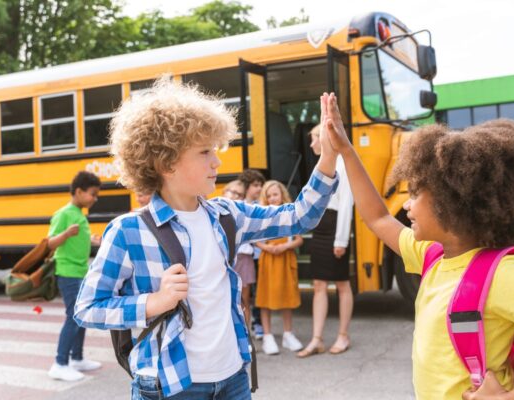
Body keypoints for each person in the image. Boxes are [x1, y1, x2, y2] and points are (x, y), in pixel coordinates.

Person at [74, 80, 339, 400]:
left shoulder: (228, 215)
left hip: (233, 379)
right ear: (166, 163)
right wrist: (153, 303)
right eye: (204, 152)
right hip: (170, 385)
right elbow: (88, 308)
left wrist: (328, 157)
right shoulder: (128, 231)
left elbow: (299, 216)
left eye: (215, 149)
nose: (217, 161)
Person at [322, 94, 514, 399]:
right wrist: (347, 150)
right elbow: (377, 217)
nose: (408, 205)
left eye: (416, 193)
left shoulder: (503, 275)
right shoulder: (432, 255)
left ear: (450, 203)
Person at [297, 124, 354, 358]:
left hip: (334, 229)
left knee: (342, 284)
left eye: (314, 139)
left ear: (324, 139)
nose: (311, 145)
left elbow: (345, 204)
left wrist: (341, 239)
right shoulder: (322, 166)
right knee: (318, 284)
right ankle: (317, 339)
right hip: (320, 229)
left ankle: (343, 335)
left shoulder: (342, 165)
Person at [48, 171, 102, 382]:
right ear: (78, 191)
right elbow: (50, 243)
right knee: (73, 315)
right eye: (92, 194)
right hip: (68, 272)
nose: (94, 199)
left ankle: (77, 358)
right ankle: (60, 363)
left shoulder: (80, 214)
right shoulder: (64, 214)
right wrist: (66, 234)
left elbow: (78, 242)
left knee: (80, 315)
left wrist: (92, 240)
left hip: (80, 271)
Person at [254, 180, 304, 355]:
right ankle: (267, 335)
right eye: (268, 196)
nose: (272, 198)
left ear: (282, 194)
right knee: (264, 297)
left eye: (275, 194)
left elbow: (299, 239)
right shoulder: (262, 215)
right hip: (268, 259)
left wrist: (284, 247)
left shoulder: (289, 214)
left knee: (287, 296)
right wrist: (267, 247)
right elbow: (255, 240)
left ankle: (288, 334)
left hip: (285, 257)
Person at [222, 180, 255, 328]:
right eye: (232, 191)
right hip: (224, 261)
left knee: (243, 300)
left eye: (239, 194)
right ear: (224, 192)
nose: (235, 196)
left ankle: (246, 333)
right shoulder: (213, 212)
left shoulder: (244, 213)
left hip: (243, 258)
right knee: (224, 299)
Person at [238, 169, 266, 340]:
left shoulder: (260, 205)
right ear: (247, 187)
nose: (259, 188)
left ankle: (258, 321)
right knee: (247, 294)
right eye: (256, 185)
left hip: (258, 254)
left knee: (256, 292)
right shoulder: (240, 206)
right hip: (248, 255)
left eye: (261, 185)